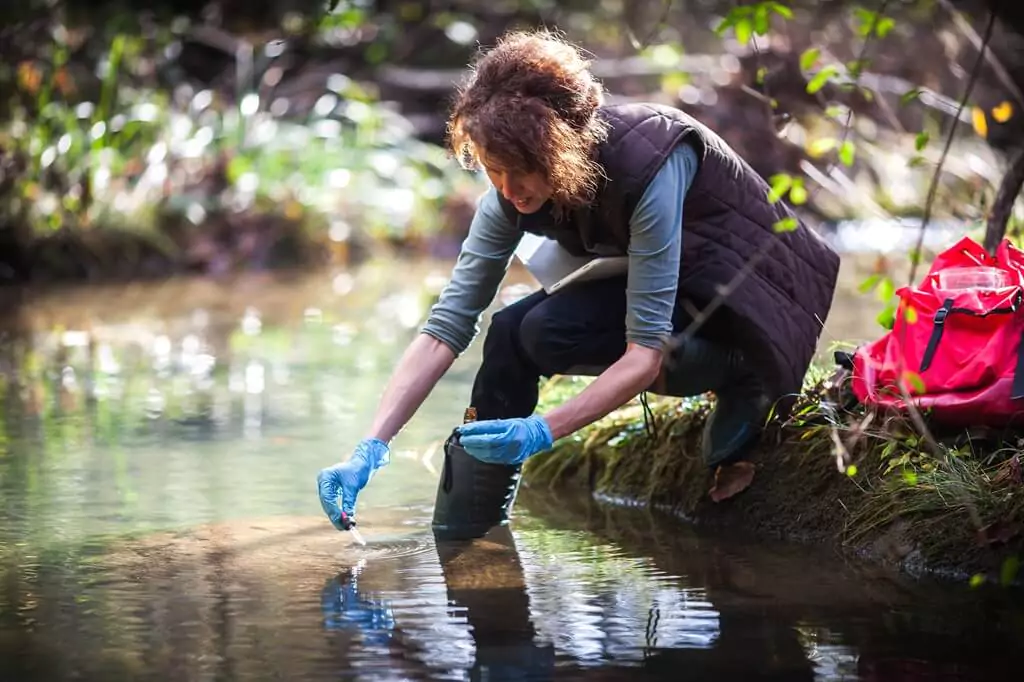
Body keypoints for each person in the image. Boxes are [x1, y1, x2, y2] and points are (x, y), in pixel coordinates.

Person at [317, 29, 840, 531]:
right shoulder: (509, 191)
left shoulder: (652, 160)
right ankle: (469, 534)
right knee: (513, 333)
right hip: (683, 284)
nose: (508, 188)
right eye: (493, 170)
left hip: (757, 307)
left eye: (520, 170)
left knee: (551, 331)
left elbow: (645, 352)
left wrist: (543, 431)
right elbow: (446, 327)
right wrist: (370, 447)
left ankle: (741, 373)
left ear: (558, 147)